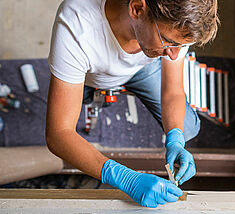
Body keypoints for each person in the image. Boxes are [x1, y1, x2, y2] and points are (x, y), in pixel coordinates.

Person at [45, 0, 219, 208]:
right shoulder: (77, 23)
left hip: (141, 69)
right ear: (137, 9)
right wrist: (124, 178)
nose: (175, 54)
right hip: (91, 76)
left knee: (188, 127)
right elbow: (58, 134)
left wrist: (175, 139)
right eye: (169, 42)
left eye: (181, 46)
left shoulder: (176, 26)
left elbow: (172, 91)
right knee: (62, 115)